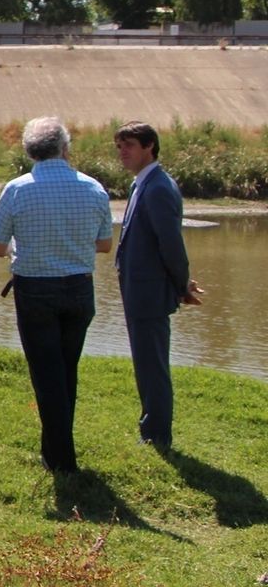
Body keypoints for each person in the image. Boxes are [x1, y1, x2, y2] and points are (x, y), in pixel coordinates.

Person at [0, 117, 113, 473]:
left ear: (29, 151)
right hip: (79, 288)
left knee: (45, 373)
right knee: (65, 369)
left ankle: (61, 459)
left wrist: (17, 247)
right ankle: (55, 451)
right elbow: (104, 245)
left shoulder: (17, 189)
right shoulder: (93, 188)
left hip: (36, 289)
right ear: (65, 148)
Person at [114, 121, 203, 451]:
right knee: (145, 361)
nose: (123, 152)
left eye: (130, 146)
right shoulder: (144, 183)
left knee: (152, 365)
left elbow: (171, 245)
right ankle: (151, 428)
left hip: (149, 292)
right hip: (140, 289)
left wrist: (181, 285)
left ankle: (157, 435)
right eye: (120, 147)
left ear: (150, 146)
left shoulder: (159, 187)